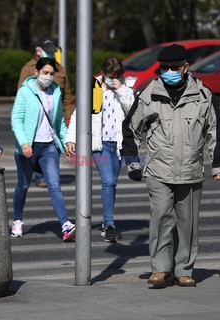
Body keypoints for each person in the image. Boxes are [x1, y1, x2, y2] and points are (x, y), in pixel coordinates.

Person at [122, 44, 220, 287]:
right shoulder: (149, 94)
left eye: (174, 67)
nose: (169, 71)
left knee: (187, 224)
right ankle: (160, 269)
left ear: (186, 67)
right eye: (165, 68)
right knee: (161, 218)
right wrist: (133, 163)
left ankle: (183, 269)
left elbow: (215, 130)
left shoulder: (203, 94)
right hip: (159, 170)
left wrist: (217, 165)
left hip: (191, 171)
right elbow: (130, 129)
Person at [65, 58, 135, 242]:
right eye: (110, 76)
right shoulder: (93, 87)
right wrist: (71, 139)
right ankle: (109, 224)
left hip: (117, 144)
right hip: (99, 144)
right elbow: (78, 113)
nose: (113, 79)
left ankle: (107, 221)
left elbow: (132, 110)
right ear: (103, 74)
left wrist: (120, 88)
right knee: (108, 181)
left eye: (116, 76)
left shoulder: (125, 88)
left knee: (112, 184)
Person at [11, 57, 75, 241]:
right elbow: (16, 119)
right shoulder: (25, 91)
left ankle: (65, 224)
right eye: (45, 73)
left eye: (51, 74)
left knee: (54, 185)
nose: (48, 77)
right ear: (36, 72)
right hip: (28, 147)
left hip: (48, 147)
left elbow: (59, 122)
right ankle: (17, 220)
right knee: (23, 186)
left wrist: (66, 141)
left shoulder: (55, 92)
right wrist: (23, 143)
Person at [18, 36, 75, 188]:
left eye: (53, 52)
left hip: (56, 118)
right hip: (36, 120)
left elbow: (67, 96)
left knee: (54, 148)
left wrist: (69, 117)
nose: (51, 55)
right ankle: (40, 175)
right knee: (38, 147)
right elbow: (21, 96)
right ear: (38, 51)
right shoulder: (28, 69)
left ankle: (47, 174)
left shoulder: (60, 69)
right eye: (48, 52)